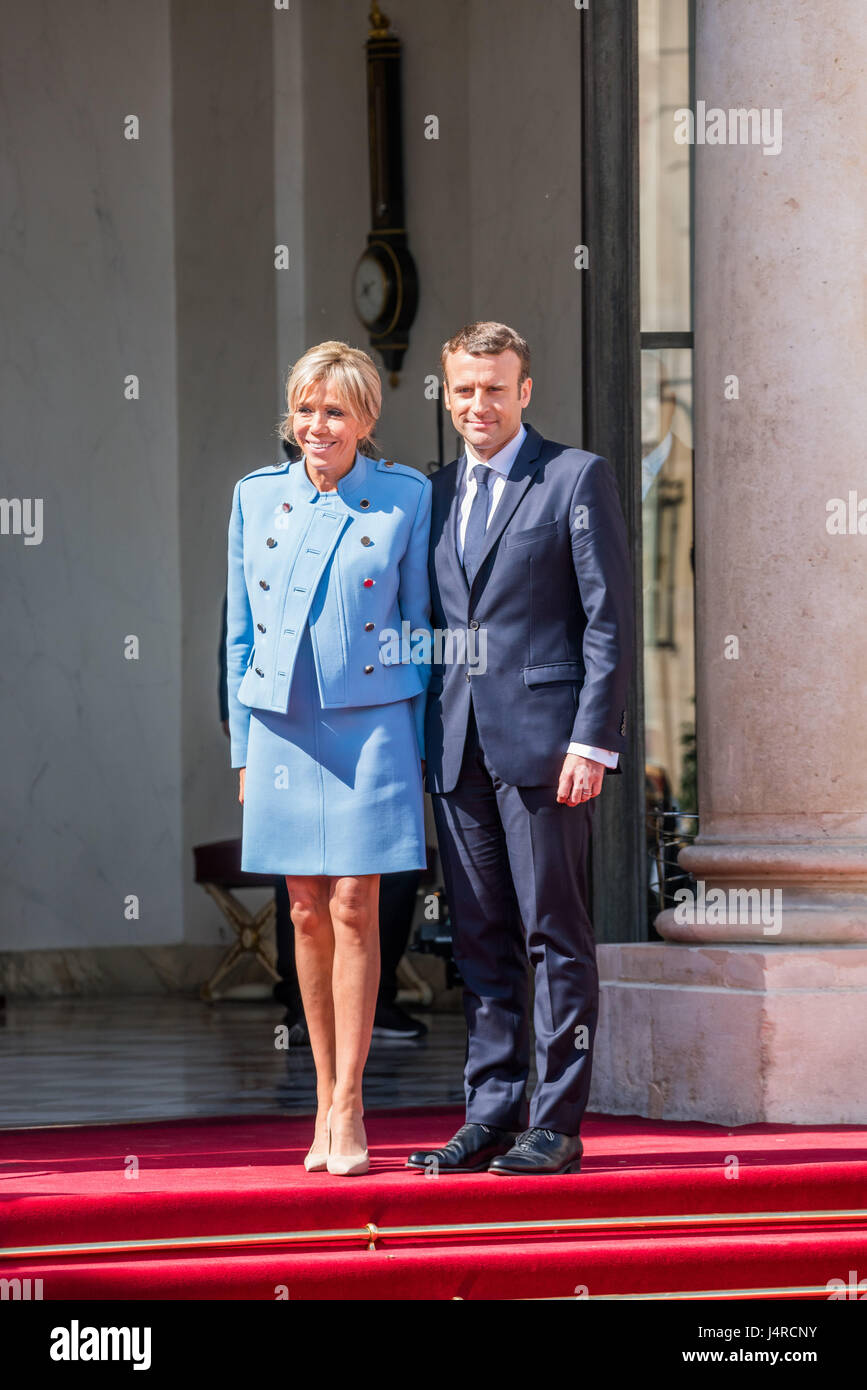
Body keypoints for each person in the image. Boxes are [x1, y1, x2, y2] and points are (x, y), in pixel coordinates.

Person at [408, 321, 633, 1176]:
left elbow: (608, 620)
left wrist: (592, 740)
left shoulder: (574, 478)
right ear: (446, 392)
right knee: (479, 940)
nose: (477, 404)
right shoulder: (429, 494)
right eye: (463, 389)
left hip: (546, 748)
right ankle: (491, 1110)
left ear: (524, 390)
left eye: (494, 388)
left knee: (554, 935)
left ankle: (556, 1122)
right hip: (454, 746)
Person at [226, 341, 432, 1175]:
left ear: (365, 420)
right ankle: (320, 1098)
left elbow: (421, 626)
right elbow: (236, 635)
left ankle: (351, 1105)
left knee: (355, 905)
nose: (317, 425)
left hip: (374, 724)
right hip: (279, 725)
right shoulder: (252, 498)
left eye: (335, 411)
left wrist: (418, 753)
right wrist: (242, 752)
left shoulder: (404, 498)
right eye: (306, 409)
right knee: (304, 909)